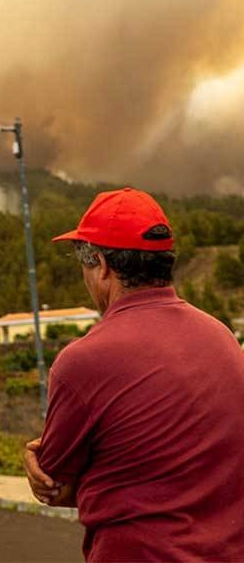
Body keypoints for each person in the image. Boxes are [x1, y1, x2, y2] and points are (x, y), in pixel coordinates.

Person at [24, 188, 244, 561]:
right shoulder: (221, 337)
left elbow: (55, 485)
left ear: (102, 265)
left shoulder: (83, 361)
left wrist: (34, 457)